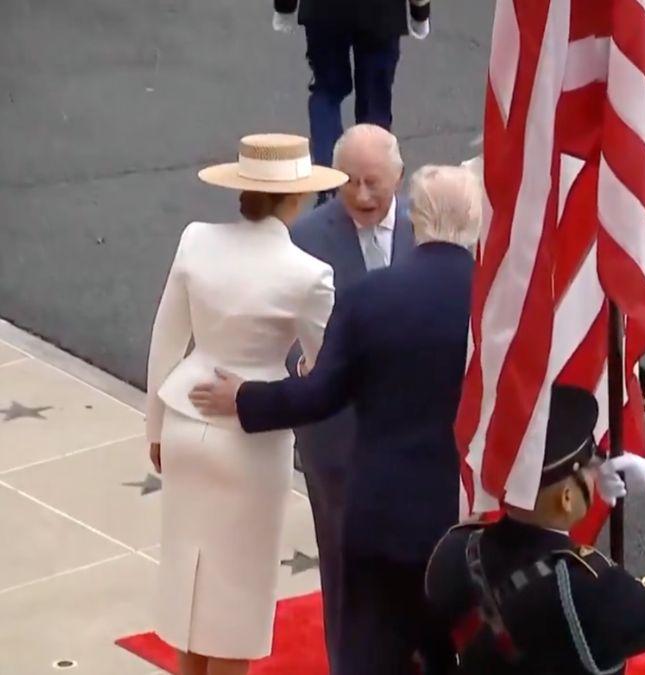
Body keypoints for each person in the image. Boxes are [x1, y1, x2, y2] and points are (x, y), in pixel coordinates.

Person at [188, 164, 481, 675]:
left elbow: (320, 395)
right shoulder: (496, 303)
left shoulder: (370, 297)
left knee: (373, 649)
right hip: (466, 513)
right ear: (476, 221)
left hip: (380, 512)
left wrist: (246, 399)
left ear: (417, 220)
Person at [145, 133, 347, 675]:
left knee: (190, 588)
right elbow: (326, 364)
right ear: (296, 199)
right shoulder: (310, 274)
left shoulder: (196, 240)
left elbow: (166, 341)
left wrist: (156, 429)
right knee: (237, 598)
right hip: (251, 441)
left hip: (186, 423)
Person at [424, 385, 645, 674]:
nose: (598, 469)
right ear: (567, 497)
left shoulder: (454, 550)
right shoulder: (586, 592)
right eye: (590, 464)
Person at [283, 123, 415, 672]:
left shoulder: (427, 232)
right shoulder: (302, 240)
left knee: (414, 563)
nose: (362, 196)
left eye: (374, 183)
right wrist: (299, 365)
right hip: (338, 439)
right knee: (341, 566)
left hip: (413, 437)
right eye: (350, 183)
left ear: (399, 178)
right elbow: (281, 332)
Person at [271, 0, 432, 184]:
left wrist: (285, 6)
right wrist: (420, 12)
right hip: (382, 13)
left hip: (323, 11)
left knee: (326, 92)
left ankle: (328, 184)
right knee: (375, 101)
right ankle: (374, 183)